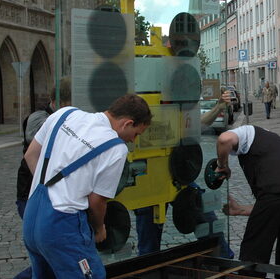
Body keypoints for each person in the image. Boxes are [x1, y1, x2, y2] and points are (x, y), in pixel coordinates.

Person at [23, 94, 152, 279]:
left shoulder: (64, 114)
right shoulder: (116, 148)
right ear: (127, 123)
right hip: (63, 225)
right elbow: (97, 201)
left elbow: (31, 155)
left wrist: (53, 188)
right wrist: (99, 229)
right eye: (136, 133)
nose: (133, 140)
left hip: (32, 216)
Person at [134, 90, 235, 257]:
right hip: (149, 181)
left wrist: (219, 107)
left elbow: (199, 125)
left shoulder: (174, 109)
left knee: (209, 224)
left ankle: (224, 260)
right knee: (148, 245)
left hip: (177, 177)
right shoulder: (144, 104)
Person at [215, 125, 280, 267]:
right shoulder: (275, 144)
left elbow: (224, 139)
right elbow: (277, 207)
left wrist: (222, 165)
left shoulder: (247, 131)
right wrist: (241, 210)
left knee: (253, 253)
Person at [14, 79, 71, 279]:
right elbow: (40, 142)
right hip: (31, 195)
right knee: (49, 258)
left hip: (51, 197)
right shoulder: (38, 118)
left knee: (51, 260)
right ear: (56, 102)